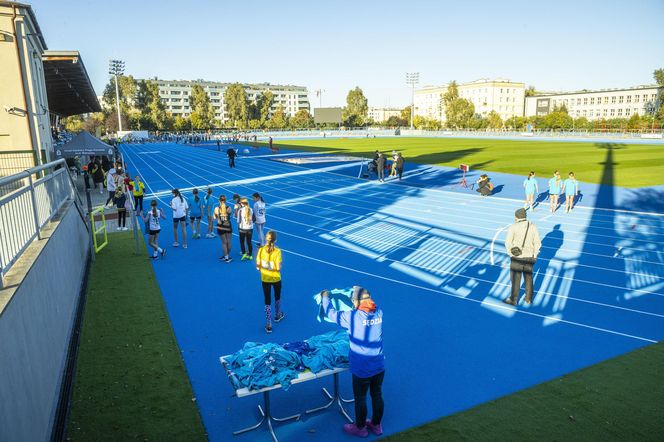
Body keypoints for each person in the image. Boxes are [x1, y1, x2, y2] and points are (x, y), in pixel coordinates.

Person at [320, 286, 384, 437]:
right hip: (379, 363)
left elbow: (331, 314)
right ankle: (376, 425)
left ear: (356, 302)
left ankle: (360, 428)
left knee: (360, 397)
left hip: (362, 366)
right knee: (377, 394)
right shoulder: (379, 312)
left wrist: (325, 297)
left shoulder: (351, 317)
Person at [503, 208, 542, 306]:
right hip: (530, 256)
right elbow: (538, 243)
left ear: (516, 217)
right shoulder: (533, 226)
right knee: (529, 277)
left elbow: (508, 243)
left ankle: (514, 299)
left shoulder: (513, 227)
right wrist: (535, 254)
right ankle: (528, 298)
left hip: (517, 257)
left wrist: (511, 254)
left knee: (516, 279)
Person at [256, 231, 284, 333]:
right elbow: (278, 268)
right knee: (277, 297)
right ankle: (277, 315)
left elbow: (258, 267)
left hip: (265, 279)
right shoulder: (278, 251)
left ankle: (268, 324)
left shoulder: (261, 250)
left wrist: (265, 267)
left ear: (266, 239)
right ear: (275, 240)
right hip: (276, 278)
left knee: (267, 300)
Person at [214, 195, 233, 262]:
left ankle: (226, 257)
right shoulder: (229, 208)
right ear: (225, 200)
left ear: (219, 200)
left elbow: (214, 218)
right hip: (228, 226)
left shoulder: (216, 208)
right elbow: (230, 215)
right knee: (229, 241)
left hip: (220, 226)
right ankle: (227, 255)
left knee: (224, 243)